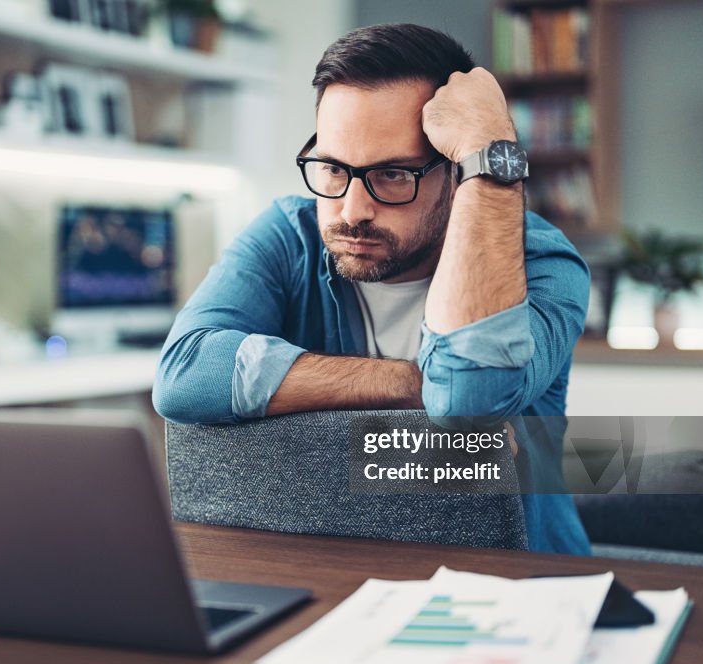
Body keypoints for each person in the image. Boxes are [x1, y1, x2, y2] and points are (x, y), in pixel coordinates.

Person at [152, 24, 591, 555]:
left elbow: (468, 403)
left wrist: (489, 151)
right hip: (343, 578)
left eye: (392, 175)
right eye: (334, 168)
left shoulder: (542, 262)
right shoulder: (291, 235)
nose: (352, 211)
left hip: (525, 585)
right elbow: (184, 374)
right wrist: (411, 383)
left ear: (456, 173)